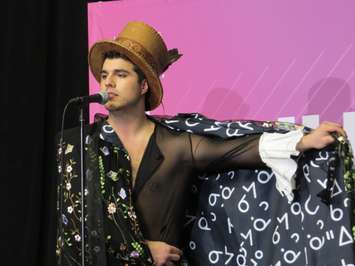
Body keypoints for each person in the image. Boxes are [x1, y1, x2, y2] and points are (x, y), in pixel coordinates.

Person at [56, 21, 346, 266]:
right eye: (105, 75)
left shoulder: (174, 144)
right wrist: (144, 251)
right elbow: (75, 229)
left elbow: (235, 150)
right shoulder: (84, 144)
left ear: (144, 86)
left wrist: (303, 141)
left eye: (121, 75)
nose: (108, 84)